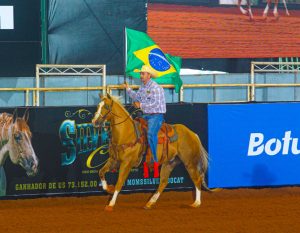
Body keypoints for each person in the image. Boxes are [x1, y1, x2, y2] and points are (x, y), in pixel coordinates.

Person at [123, 65, 166, 178]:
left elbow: (155, 105)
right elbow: (137, 97)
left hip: (156, 115)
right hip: (146, 115)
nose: (141, 75)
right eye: (141, 73)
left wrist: (140, 105)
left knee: (151, 134)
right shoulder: (143, 87)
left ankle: (155, 161)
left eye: (143, 73)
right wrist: (128, 89)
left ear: (149, 75)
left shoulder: (156, 88)